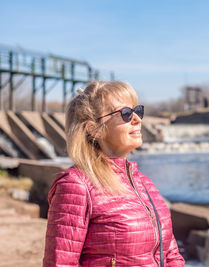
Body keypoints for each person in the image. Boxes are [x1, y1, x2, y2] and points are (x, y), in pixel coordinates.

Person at [43, 81, 185, 267]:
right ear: (94, 129)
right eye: (125, 113)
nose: (137, 119)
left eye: (138, 111)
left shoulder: (145, 184)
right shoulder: (76, 185)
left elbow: (171, 254)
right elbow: (60, 263)